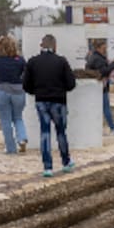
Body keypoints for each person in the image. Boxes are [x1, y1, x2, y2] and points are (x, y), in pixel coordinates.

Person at [22, 34, 76, 176]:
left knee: (45, 132)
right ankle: (66, 161)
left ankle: (47, 167)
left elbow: (26, 84)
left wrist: (36, 91)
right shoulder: (61, 61)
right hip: (59, 101)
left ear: (41, 45)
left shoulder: (33, 62)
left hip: (41, 100)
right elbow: (71, 84)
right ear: (55, 45)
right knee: (61, 132)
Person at [0, 36, 28, 155]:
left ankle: (11, 148)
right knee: (18, 117)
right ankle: (22, 138)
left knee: (6, 121)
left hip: (1, 90)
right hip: (18, 91)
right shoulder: (20, 59)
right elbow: (26, 74)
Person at [86, 41, 114, 135]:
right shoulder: (98, 58)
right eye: (103, 48)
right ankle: (113, 128)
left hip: (97, 87)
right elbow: (103, 71)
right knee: (106, 108)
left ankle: (99, 128)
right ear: (98, 48)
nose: (105, 50)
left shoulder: (95, 57)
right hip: (100, 88)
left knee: (100, 108)